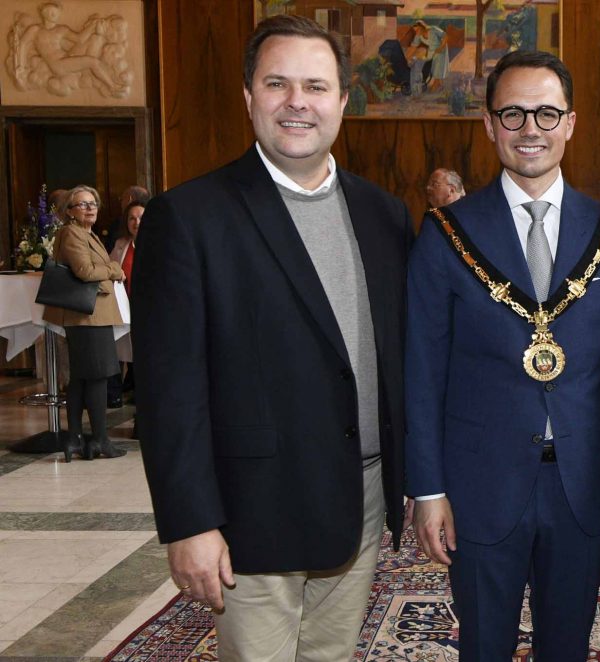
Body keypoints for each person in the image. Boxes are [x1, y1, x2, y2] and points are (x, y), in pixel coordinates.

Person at [132, 14, 412, 660]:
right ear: (248, 96)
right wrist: (190, 521)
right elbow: (170, 389)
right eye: (277, 83)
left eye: (316, 87)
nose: (297, 103)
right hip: (251, 509)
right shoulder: (190, 218)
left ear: (344, 101)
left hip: (361, 496)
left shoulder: (384, 214)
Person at [406, 50, 600, 661]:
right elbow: (423, 372)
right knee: (483, 647)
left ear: (570, 123)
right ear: (487, 125)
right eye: (512, 114)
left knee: (568, 646)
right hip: (478, 481)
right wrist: (427, 488)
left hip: (582, 479)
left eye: (545, 113)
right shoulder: (446, 233)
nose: (529, 128)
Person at [42, 185, 127, 462]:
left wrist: (107, 271)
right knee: (98, 375)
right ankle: (99, 440)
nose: (90, 208)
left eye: (93, 203)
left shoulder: (86, 233)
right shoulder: (71, 233)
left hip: (91, 314)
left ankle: (77, 440)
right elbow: (85, 271)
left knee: (81, 377)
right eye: (82, 204)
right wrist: (115, 269)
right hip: (86, 315)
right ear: (69, 211)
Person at [108, 201, 144, 403]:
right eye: (132, 218)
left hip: (147, 309)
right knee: (125, 349)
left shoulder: (158, 242)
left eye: (141, 217)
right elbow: (111, 266)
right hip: (124, 306)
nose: (137, 222)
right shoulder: (121, 244)